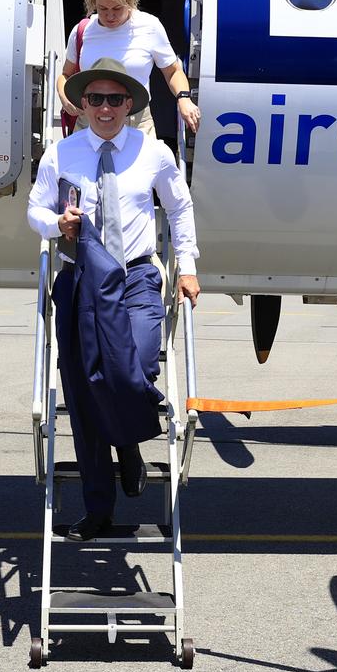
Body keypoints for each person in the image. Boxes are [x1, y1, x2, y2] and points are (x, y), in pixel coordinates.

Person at [28, 58, 200, 542]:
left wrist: (187, 267)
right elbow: (34, 208)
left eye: (115, 99)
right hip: (81, 281)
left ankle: (127, 443)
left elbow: (180, 209)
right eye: (95, 99)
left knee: (135, 368)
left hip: (136, 278)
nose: (105, 108)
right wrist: (53, 225)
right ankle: (98, 509)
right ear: (82, 104)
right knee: (84, 394)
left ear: (130, 104)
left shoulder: (154, 152)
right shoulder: (61, 154)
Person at [57, 0, 201, 138]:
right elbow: (66, 75)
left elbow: (172, 71)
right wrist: (64, 97)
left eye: (117, 8)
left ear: (130, 1)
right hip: (90, 123)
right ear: (93, 3)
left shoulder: (149, 26)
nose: (110, 15)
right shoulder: (83, 30)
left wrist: (184, 98)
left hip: (137, 124)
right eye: (102, 9)